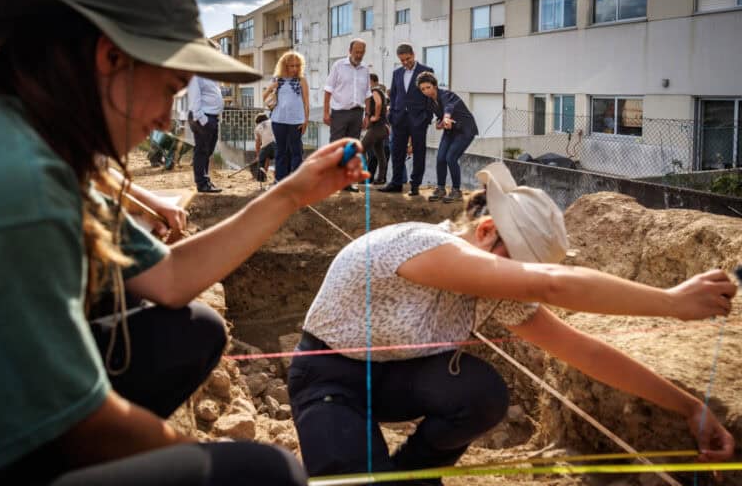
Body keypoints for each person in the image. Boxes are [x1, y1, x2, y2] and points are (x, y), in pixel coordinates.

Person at [0, 0, 366, 485]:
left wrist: (291, 193)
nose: (164, 120)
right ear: (110, 57)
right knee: (265, 474)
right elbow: (86, 422)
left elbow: (171, 275)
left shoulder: (32, 141)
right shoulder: (20, 179)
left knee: (194, 329)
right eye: (167, 90)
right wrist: (191, 457)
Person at [288, 162, 735, 483]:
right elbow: (552, 286)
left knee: (481, 392)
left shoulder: (493, 292)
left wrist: (690, 407)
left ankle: (412, 475)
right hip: (329, 379)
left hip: (394, 380)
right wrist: (670, 301)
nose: (516, 282)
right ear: (485, 231)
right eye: (517, 267)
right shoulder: (421, 246)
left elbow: (585, 352)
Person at [380, 43, 433, 196]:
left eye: (407, 59)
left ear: (413, 55)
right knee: (396, 152)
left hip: (418, 120)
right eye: (402, 60)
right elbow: (394, 95)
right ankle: (396, 183)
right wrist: (391, 116)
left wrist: (427, 118)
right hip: (399, 119)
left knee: (419, 153)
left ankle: (415, 185)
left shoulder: (426, 71)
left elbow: (430, 97)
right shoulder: (397, 73)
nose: (405, 62)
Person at [417, 71, 478, 204]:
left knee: (451, 157)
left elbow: (448, 108)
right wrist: (440, 122)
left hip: (465, 130)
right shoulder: (429, 101)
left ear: (435, 86)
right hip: (450, 131)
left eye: (428, 87)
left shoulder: (447, 95)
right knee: (440, 158)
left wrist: (446, 118)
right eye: (422, 89)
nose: (426, 91)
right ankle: (440, 189)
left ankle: (456, 191)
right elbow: (438, 116)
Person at [323, 38, 371, 192]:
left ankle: (346, 182)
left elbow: (368, 94)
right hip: (340, 113)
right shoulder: (338, 66)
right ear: (350, 51)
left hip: (357, 113)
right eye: (357, 52)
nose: (359, 55)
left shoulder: (365, 69)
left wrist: (367, 115)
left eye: (362, 52)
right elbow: (328, 89)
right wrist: (325, 112)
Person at [262, 51, 309, 183]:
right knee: (281, 151)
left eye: (297, 65)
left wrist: (306, 120)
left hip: (296, 121)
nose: (294, 68)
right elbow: (264, 97)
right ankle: (280, 180)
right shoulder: (277, 79)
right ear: (284, 65)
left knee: (296, 151)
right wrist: (272, 86)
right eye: (291, 66)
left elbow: (306, 101)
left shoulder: (301, 80)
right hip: (278, 120)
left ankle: (296, 181)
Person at [187, 68, 224, 193]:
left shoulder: (211, 74)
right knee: (202, 151)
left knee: (207, 151)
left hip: (211, 117)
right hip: (203, 117)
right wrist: (203, 120)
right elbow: (194, 99)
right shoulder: (196, 74)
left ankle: (205, 181)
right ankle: (201, 183)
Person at [362, 73, 389, 185]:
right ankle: (381, 178)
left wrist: (376, 116)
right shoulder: (381, 92)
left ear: (371, 81)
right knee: (380, 154)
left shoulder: (375, 91)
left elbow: (378, 104)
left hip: (376, 128)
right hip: (382, 128)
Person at [254, 112, 276, 183]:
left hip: (265, 147)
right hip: (276, 145)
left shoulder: (257, 128)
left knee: (263, 160)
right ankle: (278, 176)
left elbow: (257, 144)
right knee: (279, 160)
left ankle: (261, 178)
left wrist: (258, 156)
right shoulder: (272, 121)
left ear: (257, 122)